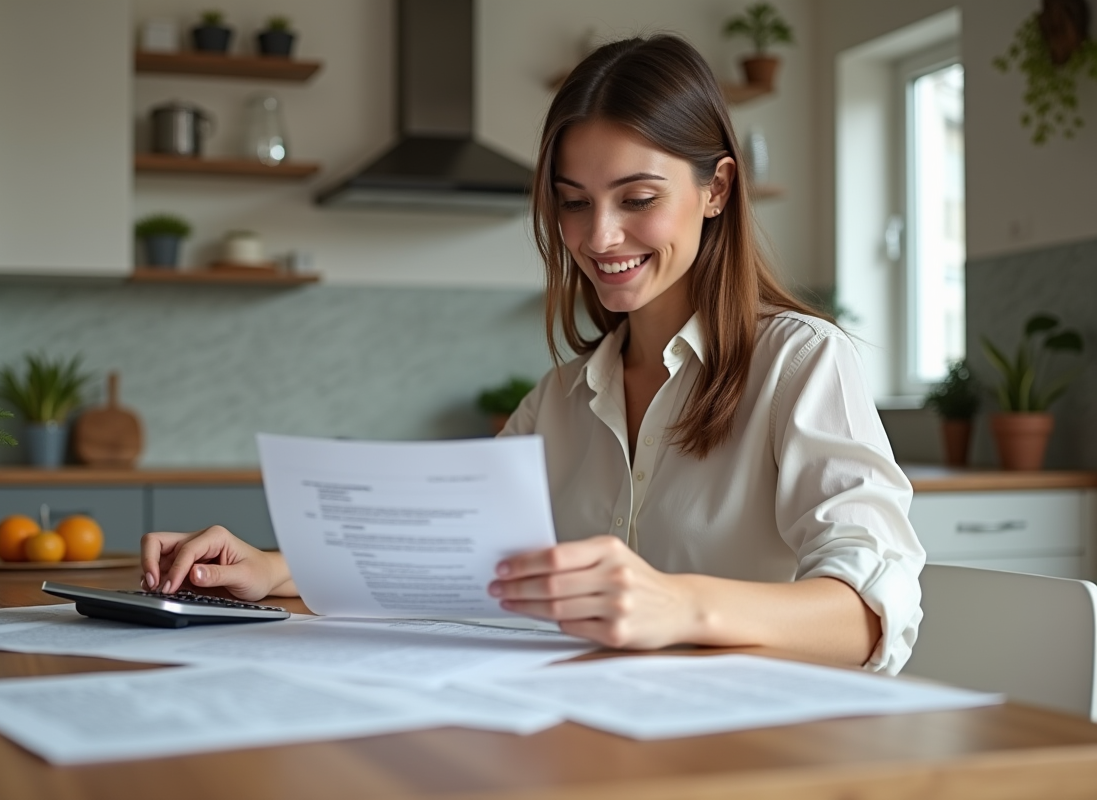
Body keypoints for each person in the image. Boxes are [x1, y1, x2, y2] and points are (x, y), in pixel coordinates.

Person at [140, 34, 924, 675]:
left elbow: (870, 615)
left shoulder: (800, 363)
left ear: (716, 189)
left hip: (758, 752)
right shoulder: (560, 400)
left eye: (638, 198)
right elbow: (446, 562)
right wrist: (269, 569)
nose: (599, 236)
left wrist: (679, 605)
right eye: (573, 202)